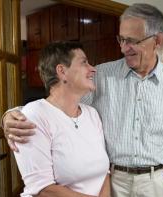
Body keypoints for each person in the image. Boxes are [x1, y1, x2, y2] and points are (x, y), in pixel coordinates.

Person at [3, 3, 163, 197]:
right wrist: (13, 115)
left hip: (154, 184)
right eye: (121, 39)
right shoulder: (101, 75)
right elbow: (60, 102)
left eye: (132, 41)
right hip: (113, 182)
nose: (123, 48)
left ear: (157, 40)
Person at [13, 41, 110, 197]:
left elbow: (105, 172)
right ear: (62, 71)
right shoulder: (35, 115)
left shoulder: (92, 114)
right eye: (84, 62)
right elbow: (43, 189)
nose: (93, 69)